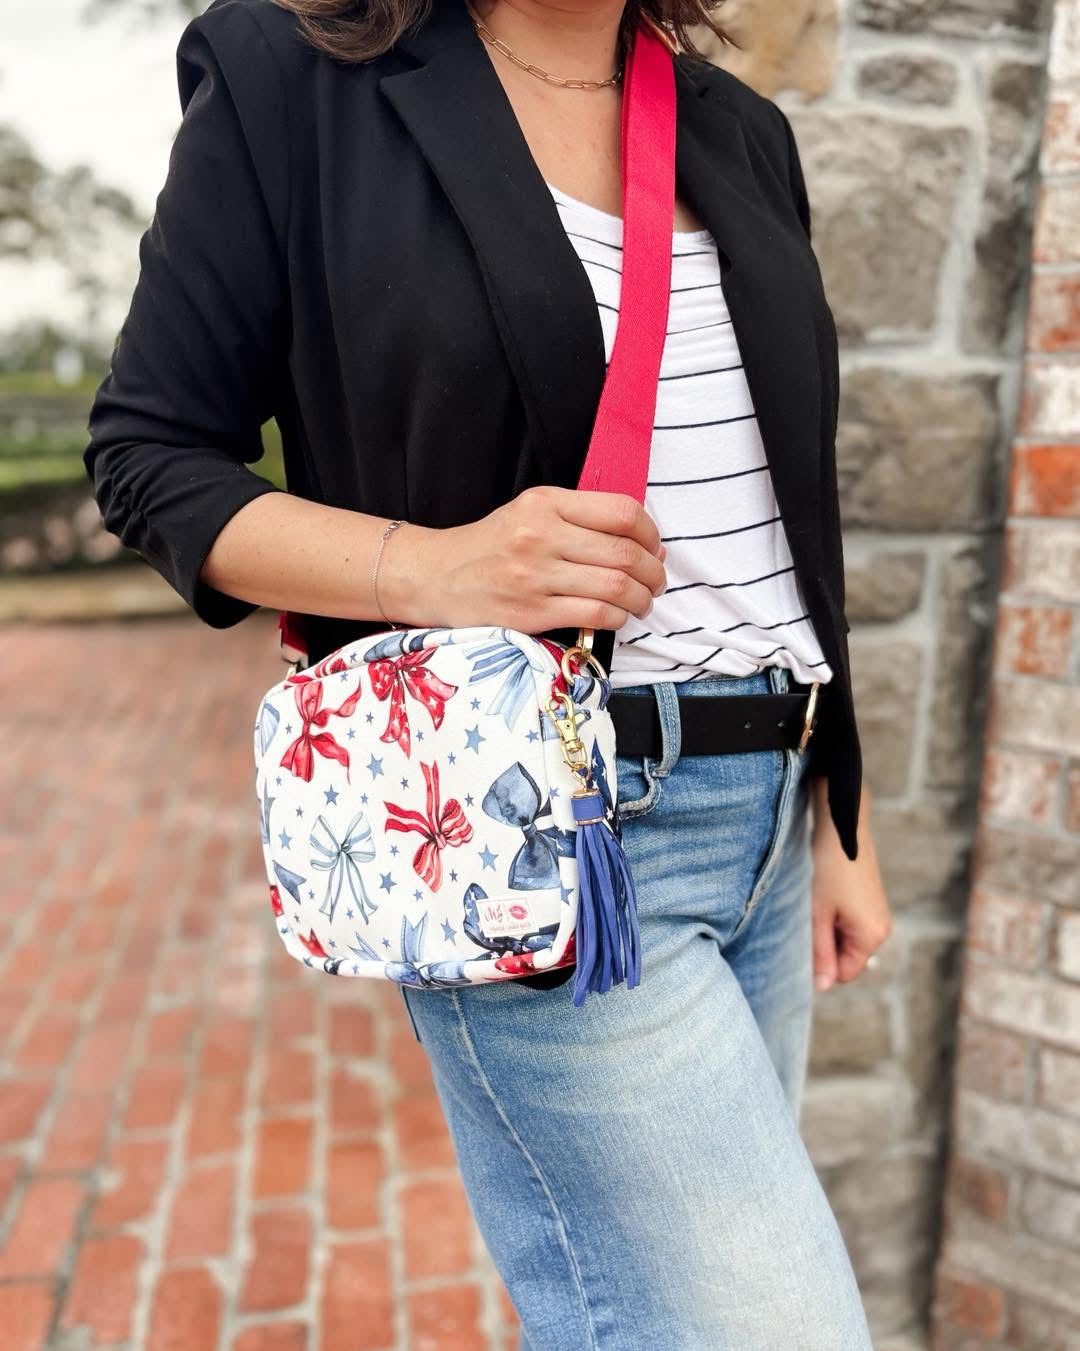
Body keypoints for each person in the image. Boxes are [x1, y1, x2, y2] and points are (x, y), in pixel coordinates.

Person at [84, 0, 892, 1344]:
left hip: (771, 825)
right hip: (544, 833)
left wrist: (839, 813)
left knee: (633, 1311)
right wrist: (441, 568)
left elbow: (786, 509)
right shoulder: (297, 78)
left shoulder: (739, 129)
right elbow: (149, 458)